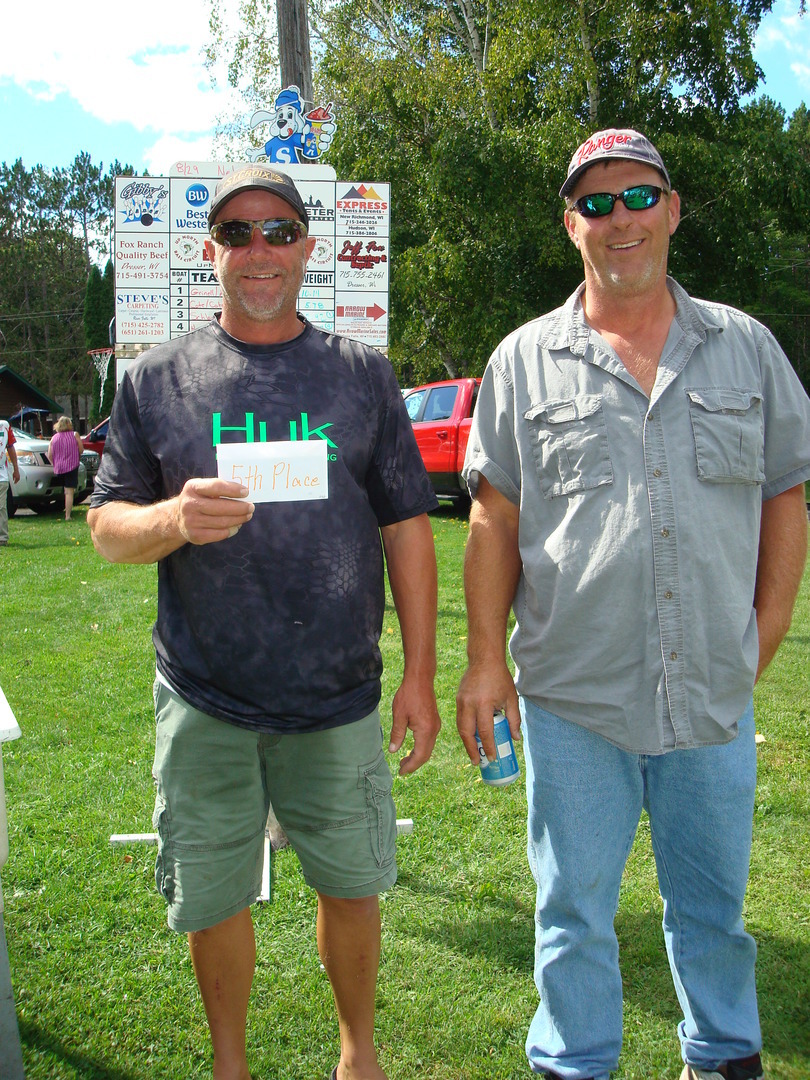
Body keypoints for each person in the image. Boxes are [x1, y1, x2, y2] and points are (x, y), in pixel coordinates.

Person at [456, 128, 810, 1080]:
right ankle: (576, 1062)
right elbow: (494, 519)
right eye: (598, 203)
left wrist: (765, 631)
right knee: (571, 913)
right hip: (574, 699)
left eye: (641, 197)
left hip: (711, 693)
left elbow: (786, 490)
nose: (623, 219)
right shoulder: (524, 360)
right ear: (572, 224)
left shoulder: (746, 347)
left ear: (673, 210)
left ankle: (722, 1054)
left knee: (714, 912)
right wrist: (485, 662)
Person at [87, 164, 441, 1080]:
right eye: (237, 233)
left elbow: (407, 526)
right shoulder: (156, 379)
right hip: (203, 694)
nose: (259, 250)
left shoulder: (362, 375)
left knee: (351, 885)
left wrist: (419, 675)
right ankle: (230, 1067)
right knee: (213, 898)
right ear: (210, 250)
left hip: (337, 695)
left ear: (307, 249)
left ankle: (358, 1058)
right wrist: (172, 520)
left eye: (278, 232)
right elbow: (106, 527)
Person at [47, 416, 84, 521]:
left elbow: (50, 455)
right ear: (69, 424)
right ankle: (67, 516)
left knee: (63, 491)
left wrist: (55, 464)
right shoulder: (74, 434)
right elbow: (81, 450)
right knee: (69, 492)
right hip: (72, 466)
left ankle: (58, 510)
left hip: (59, 468)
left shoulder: (54, 438)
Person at [0, 419, 20, 546]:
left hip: (1, 475)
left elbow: (10, 447)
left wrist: (16, 469)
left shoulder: (4, 426)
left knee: (1, 507)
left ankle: (2, 537)